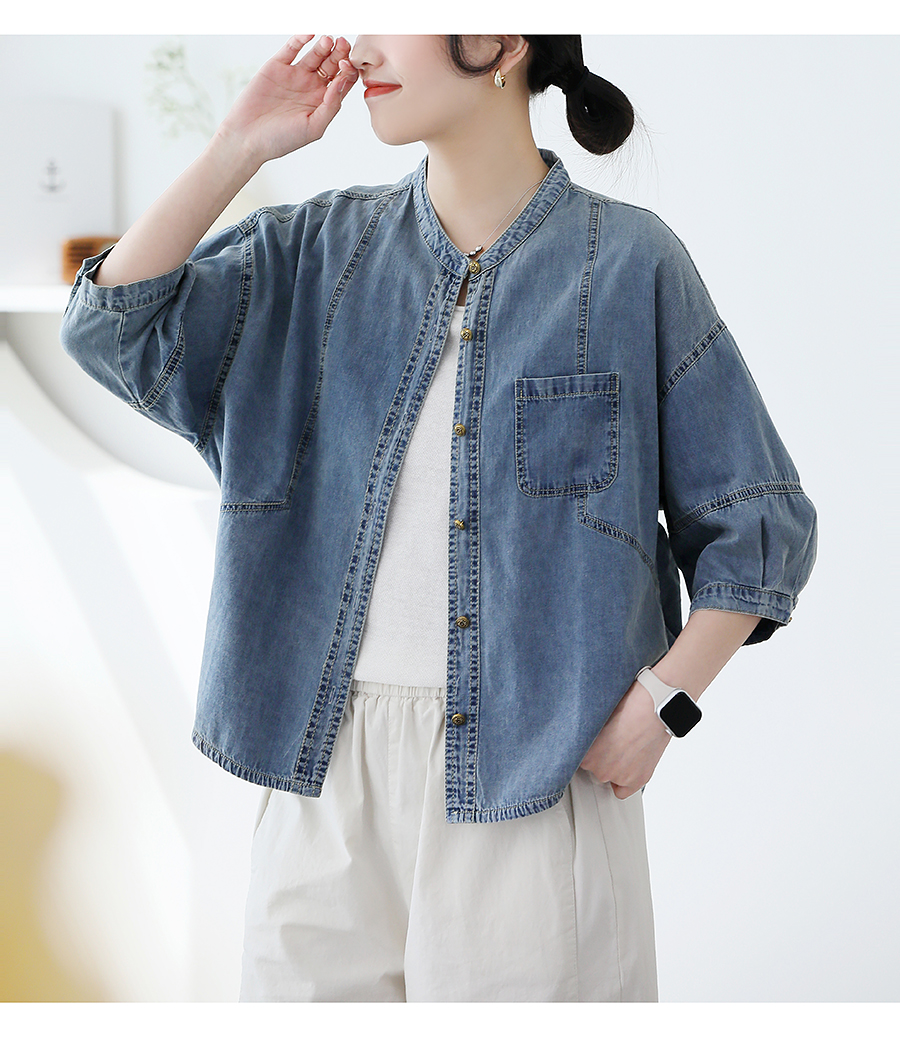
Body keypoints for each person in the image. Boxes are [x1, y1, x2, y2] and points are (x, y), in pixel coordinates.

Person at [59, 34, 818, 1002]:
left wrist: (665, 704)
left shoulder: (630, 264)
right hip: (323, 783)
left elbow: (760, 522)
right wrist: (237, 145)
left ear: (500, 39)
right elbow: (113, 328)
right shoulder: (312, 253)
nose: (364, 39)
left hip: (537, 783)